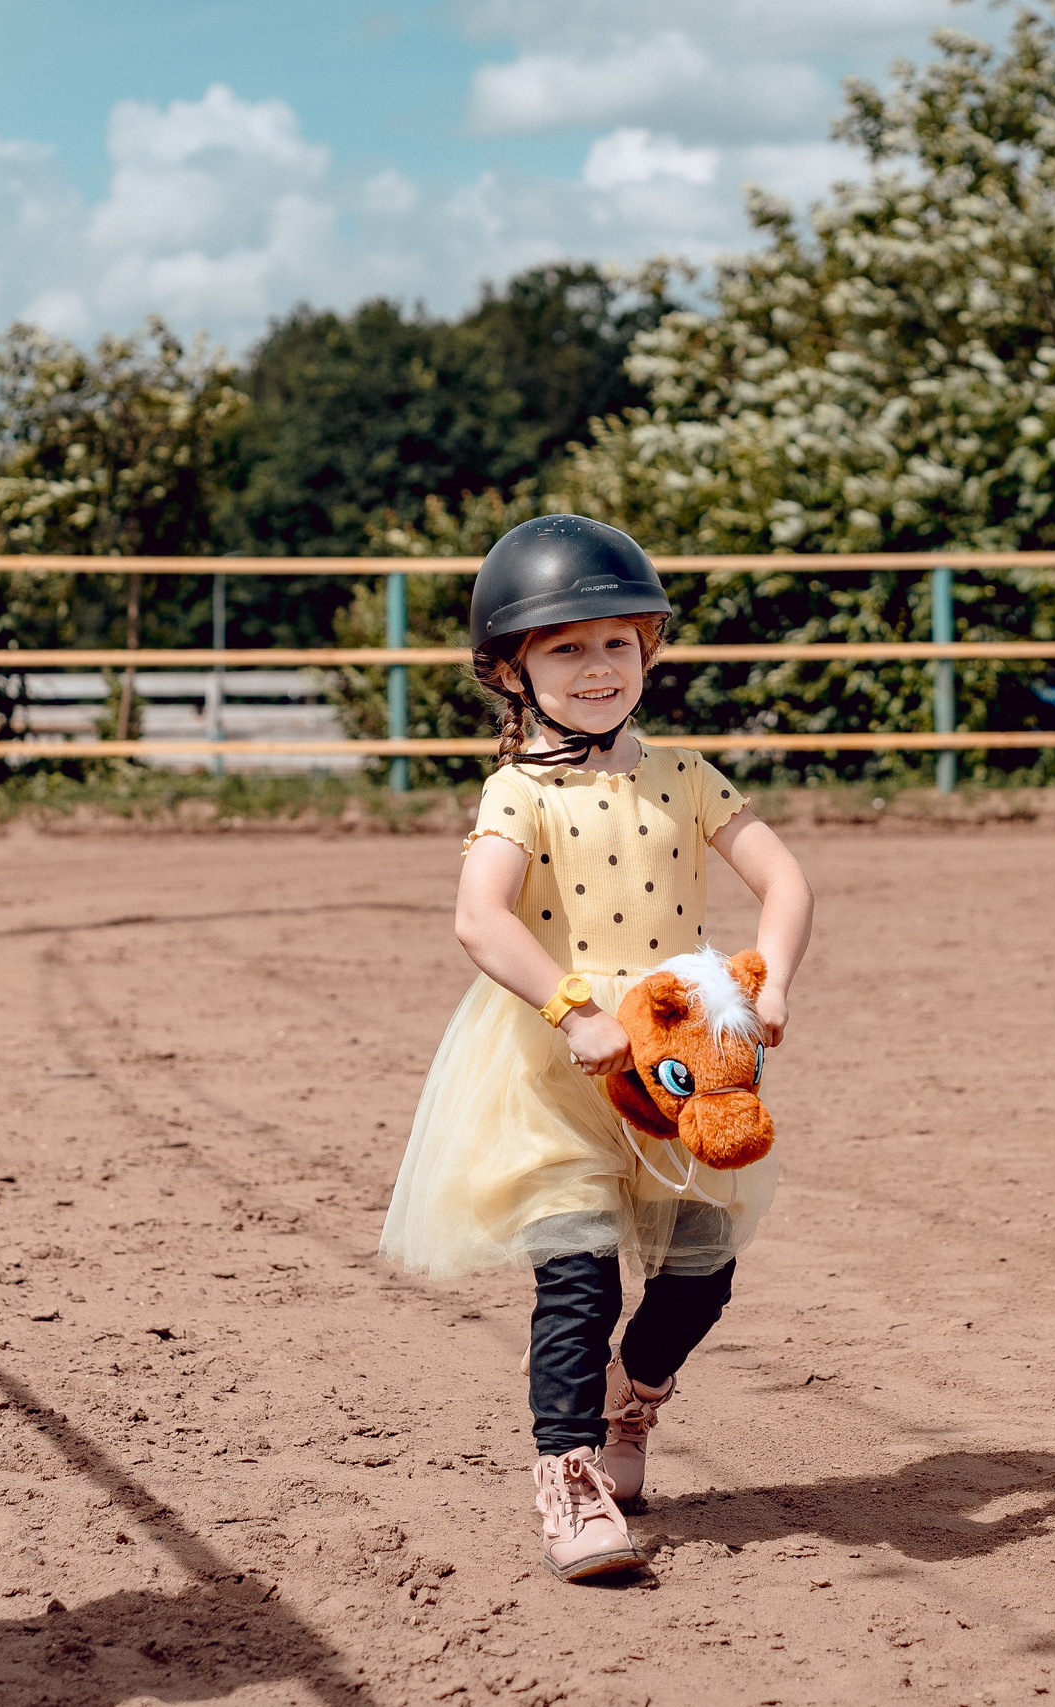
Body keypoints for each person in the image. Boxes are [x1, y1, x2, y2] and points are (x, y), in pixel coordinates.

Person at [377, 515, 815, 1581]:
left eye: (617, 641)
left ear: (647, 651)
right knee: (577, 1281)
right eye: (565, 647)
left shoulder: (689, 775)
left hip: (678, 1051)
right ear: (510, 669)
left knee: (699, 1276)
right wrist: (574, 1011)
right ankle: (569, 1478)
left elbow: (784, 880)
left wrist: (770, 985)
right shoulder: (519, 792)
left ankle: (635, 1398)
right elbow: (481, 918)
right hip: (554, 1062)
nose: (596, 665)